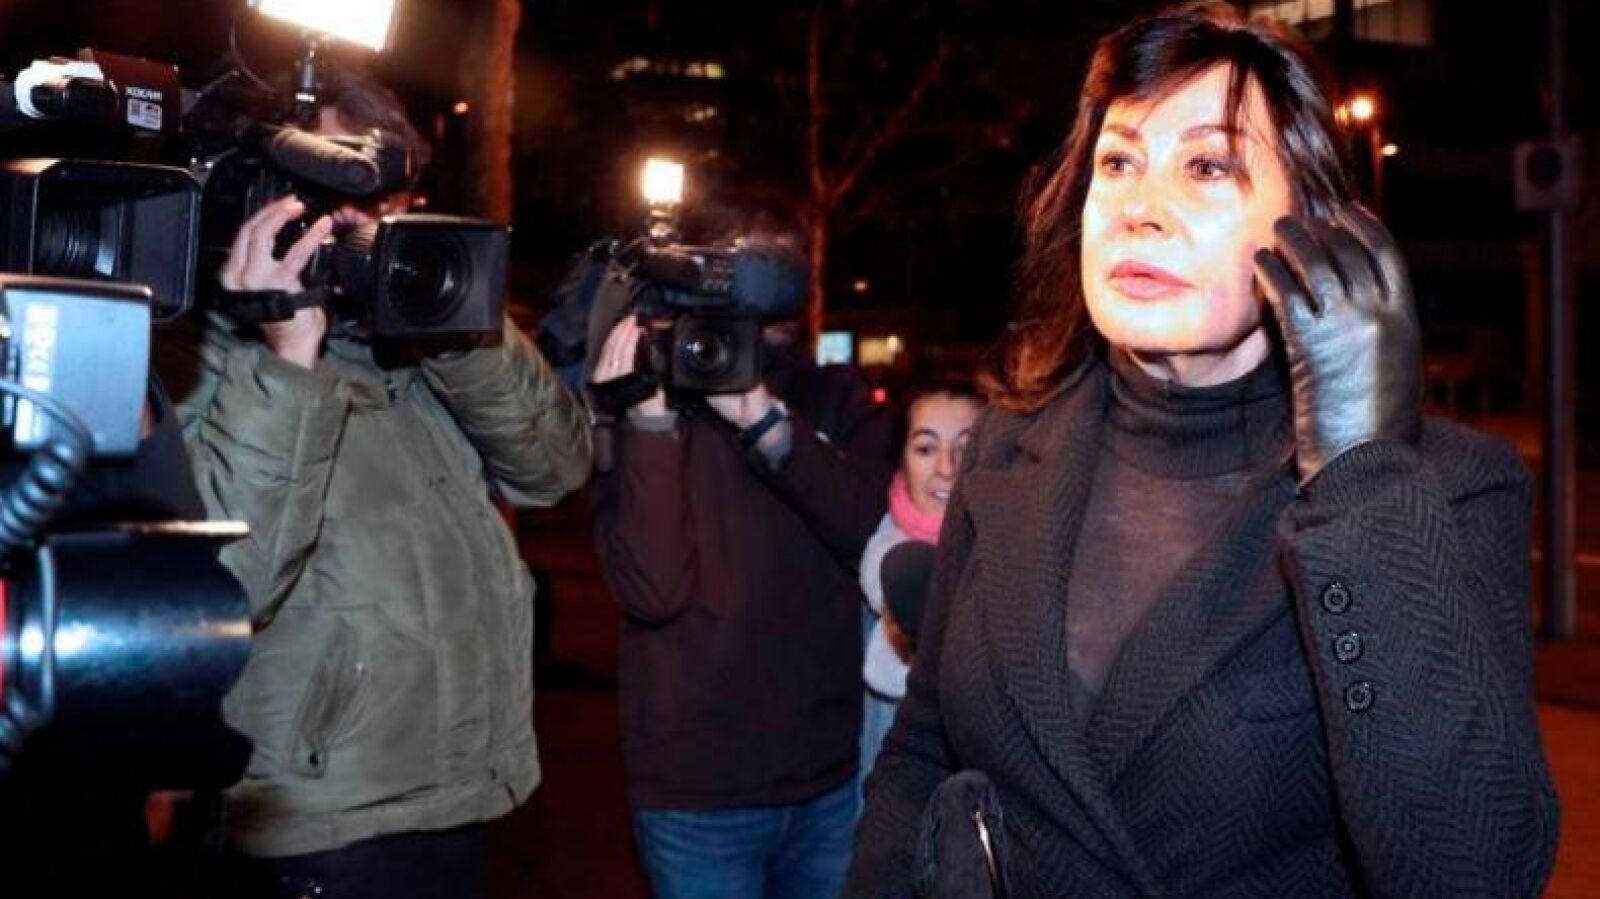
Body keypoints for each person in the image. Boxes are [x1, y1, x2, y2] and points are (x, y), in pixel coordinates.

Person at [845, 4, 1559, 897]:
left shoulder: (1448, 491)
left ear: (1315, 229)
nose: (1141, 210)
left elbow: (1475, 869)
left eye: (1208, 166)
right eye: (1118, 163)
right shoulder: (1004, 448)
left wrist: (1362, 474)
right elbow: (921, 748)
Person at [166, 68, 593, 899]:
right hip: (319, 819)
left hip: (458, 794)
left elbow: (555, 470)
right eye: (329, 183)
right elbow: (216, 589)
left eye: (378, 192)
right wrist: (287, 355)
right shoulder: (196, 348)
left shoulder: (409, 336)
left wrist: (455, 318)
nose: (357, 218)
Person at [590, 224, 894, 899]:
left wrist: (767, 422)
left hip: (826, 779)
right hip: (696, 795)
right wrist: (647, 421)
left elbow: (871, 534)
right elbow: (652, 589)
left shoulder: (837, 398)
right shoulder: (649, 401)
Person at [856, 388, 982, 795]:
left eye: (966, 448)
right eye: (926, 448)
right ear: (901, 460)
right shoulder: (874, 561)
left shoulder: (1026, 565)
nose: (947, 468)